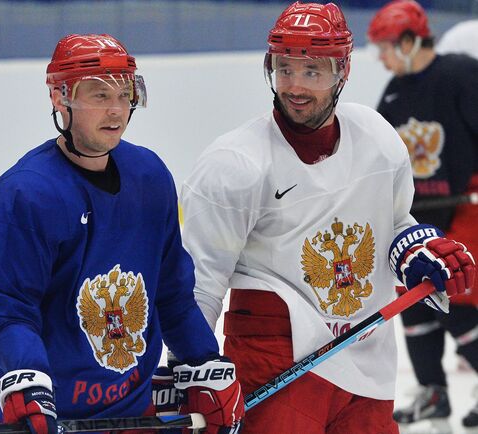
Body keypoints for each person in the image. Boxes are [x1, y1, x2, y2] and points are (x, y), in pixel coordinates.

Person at [178, 2, 476, 434]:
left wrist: (416, 251)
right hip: (277, 360)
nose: (295, 86)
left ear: (343, 71)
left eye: (312, 72)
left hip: (365, 359)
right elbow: (199, 283)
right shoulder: (234, 164)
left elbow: (393, 222)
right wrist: (196, 369)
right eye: (284, 69)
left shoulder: (376, 138)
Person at [0, 33, 244, 434]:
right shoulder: (25, 194)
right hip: (44, 417)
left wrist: (203, 361)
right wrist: (25, 379)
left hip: (132, 410)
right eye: (99, 96)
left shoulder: (149, 177)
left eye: (125, 95)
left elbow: (170, 295)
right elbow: (4, 310)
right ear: (60, 98)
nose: (116, 110)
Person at [367, 0, 478, 430]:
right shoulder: (395, 92)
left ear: (411, 41)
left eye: (387, 46)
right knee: (411, 298)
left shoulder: (461, 75)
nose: (382, 57)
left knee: (460, 298)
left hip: (467, 206)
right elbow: (378, 156)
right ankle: (433, 391)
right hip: (421, 213)